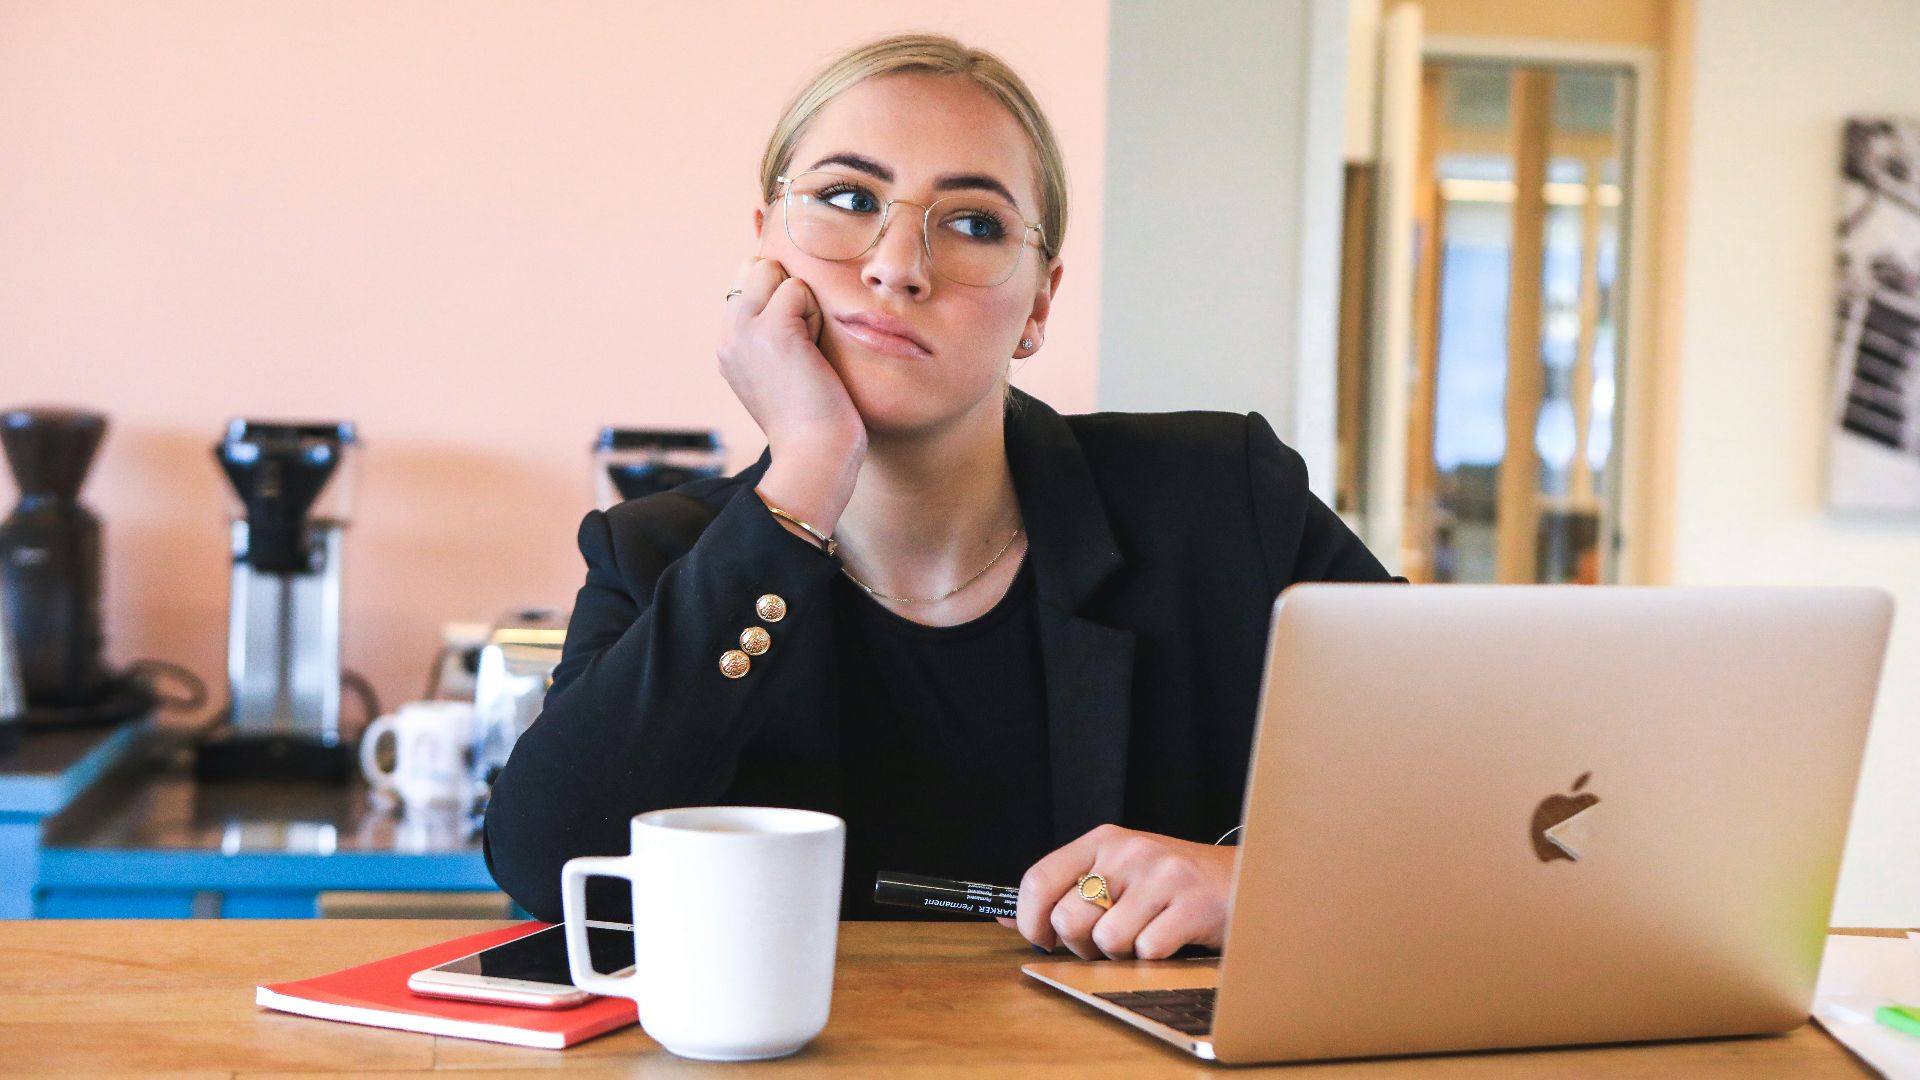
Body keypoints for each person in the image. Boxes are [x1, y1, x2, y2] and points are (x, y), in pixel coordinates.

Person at [483, 33, 1396, 963]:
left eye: (973, 223)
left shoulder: (1221, 500)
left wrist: (1261, 885)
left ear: (1039, 303)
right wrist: (805, 470)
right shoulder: (656, 555)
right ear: (761, 247)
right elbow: (549, 864)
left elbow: (1489, 787)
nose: (896, 265)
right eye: (848, 200)